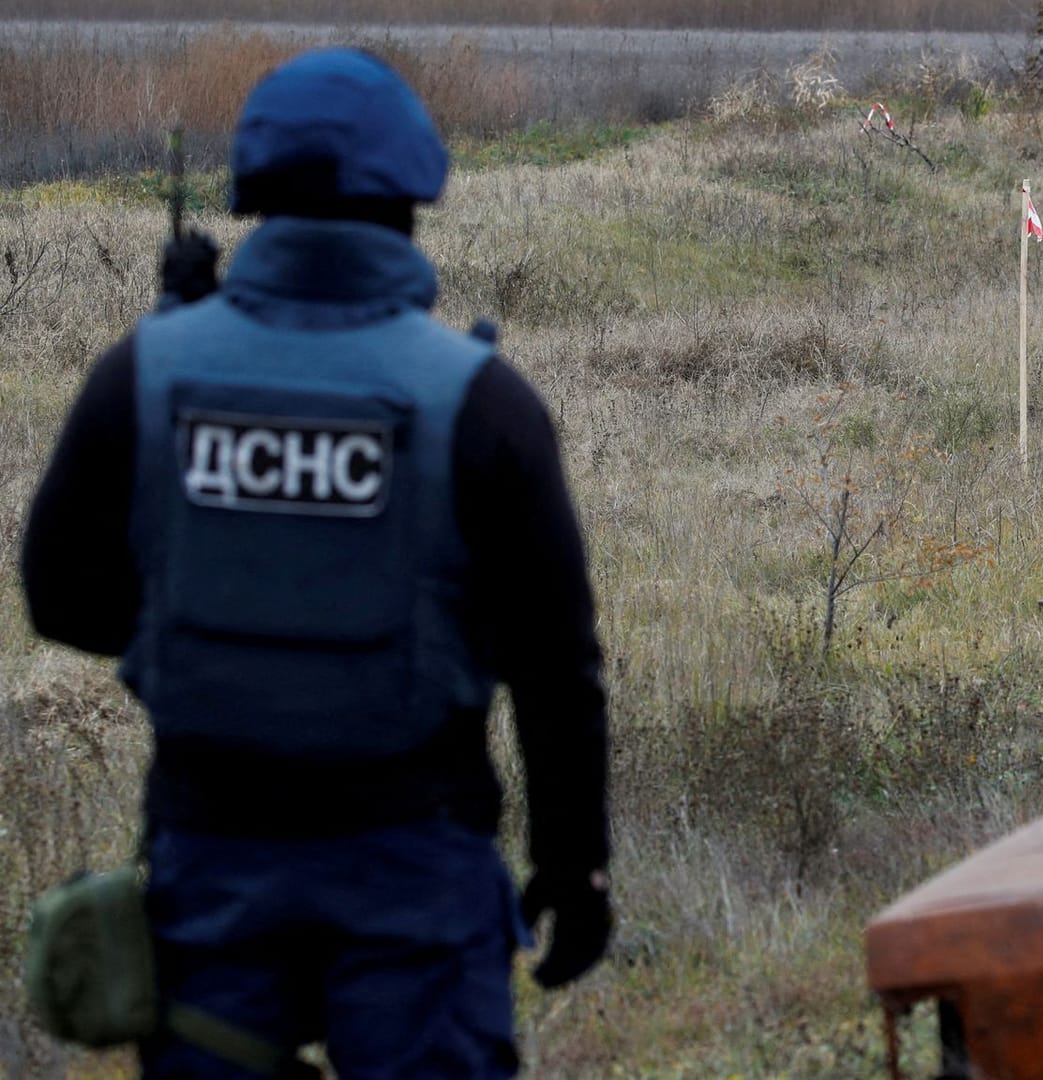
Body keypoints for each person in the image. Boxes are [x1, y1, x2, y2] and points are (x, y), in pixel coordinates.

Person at [19, 48, 611, 1077]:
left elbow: (59, 593)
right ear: (414, 197)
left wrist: (212, 613)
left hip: (213, 873)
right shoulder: (481, 403)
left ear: (254, 197)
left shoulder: (146, 374)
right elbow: (556, 669)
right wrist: (573, 865)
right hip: (418, 878)